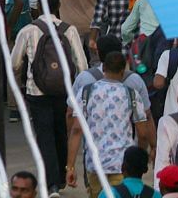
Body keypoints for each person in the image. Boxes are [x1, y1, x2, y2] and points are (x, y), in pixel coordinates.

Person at [11, 0, 87, 193]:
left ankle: (51, 182)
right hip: (64, 92)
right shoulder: (69, 30)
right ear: (58, 6)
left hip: (36, 92)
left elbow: (15, 63)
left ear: (36, 7)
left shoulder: (28, 31)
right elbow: (82, 64)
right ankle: (62, 176)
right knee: (61, 132)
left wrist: (21, 83)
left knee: (44, 135)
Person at [65, 51, 152, 196]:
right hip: (123, 166)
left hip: (94, 164)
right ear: (123, 71)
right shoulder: (131, 95)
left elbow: (76, 130)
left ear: (103, 68)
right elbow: (143, 134)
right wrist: (141, 157)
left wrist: (70, 167)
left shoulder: (86, 93)